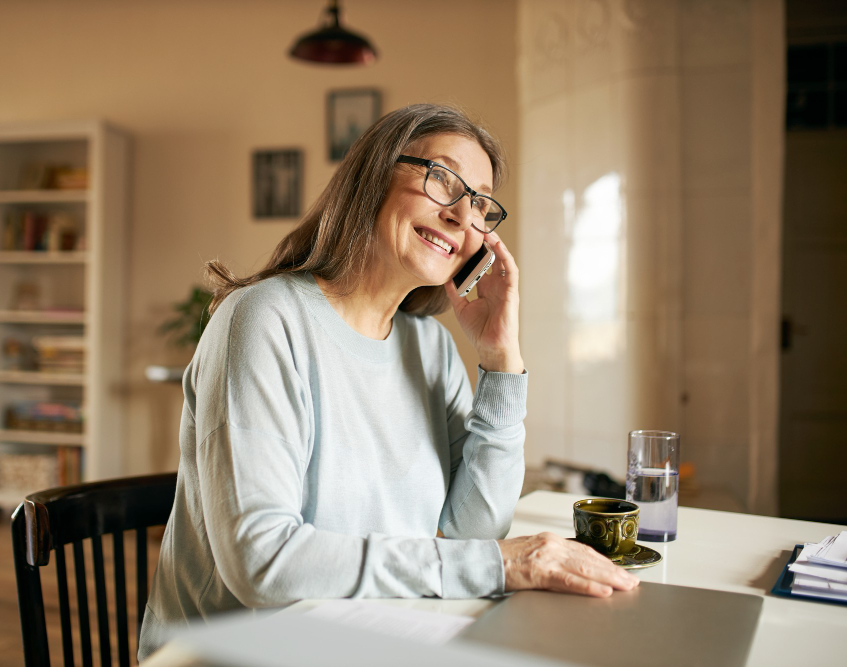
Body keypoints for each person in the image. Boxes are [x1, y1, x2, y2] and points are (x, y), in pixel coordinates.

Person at [138, 103, 638, 659]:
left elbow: (474, 532)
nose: (461, 216)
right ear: (373, 175)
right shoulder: (263, 320)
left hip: (380, 638)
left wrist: (501, 362)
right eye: (442, 180)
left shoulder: (430, 348)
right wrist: (504, 564)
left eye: (479, 205)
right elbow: (263, 563)